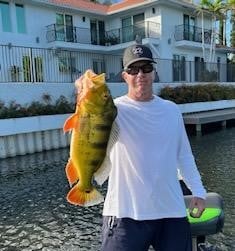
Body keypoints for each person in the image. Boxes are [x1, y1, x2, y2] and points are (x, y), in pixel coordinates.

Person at [101, 44, 206, 251]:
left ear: (154, 72)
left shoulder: (171, 110)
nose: (140, 74)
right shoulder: (112, 110)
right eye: (133, 69)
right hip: (125, 214)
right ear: (124, 76)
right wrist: (83, 92)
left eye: (146, 68)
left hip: (171, 211)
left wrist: (199, 192)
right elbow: (86, 128)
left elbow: (184, 156)